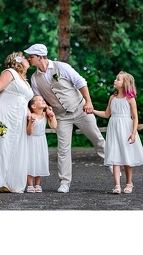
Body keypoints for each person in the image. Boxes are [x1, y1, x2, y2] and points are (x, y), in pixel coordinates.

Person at [25, 43, 106, 193]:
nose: (28, 59)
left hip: (80, 109)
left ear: (40, 57)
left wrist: (88, 101)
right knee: (63, 149)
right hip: (61, 116)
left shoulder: (61, 67)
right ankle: (64, 182)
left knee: (97, 139)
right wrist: (47, 110)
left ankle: (113, 165)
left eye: (31, 57)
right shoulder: (35, 78)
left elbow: (80, 82)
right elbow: (38, 98)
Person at [94, 71, 143, 194]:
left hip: (126, 129)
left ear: (125, 83)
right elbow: (107, 114)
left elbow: (135, 117)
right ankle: (117, 185)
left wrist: (133, 133)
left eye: (118, 79)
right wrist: (93, 111)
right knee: (115, 156)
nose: (115, 80)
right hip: (114, 128)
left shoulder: (130, 99)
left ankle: (129, 183)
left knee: (126, 156)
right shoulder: (112, 98)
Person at [0, 52, 34, 194]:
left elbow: (23, 99)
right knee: (1, 146)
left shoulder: (25, 80)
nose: (28, 60)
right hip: (4, 115)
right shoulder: (10, 72)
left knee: (16, 148)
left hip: (18, 120)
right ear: (17, 60)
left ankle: (8, 182)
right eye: (25, 58)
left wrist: (28, 112)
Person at [25, 95, 57, 193]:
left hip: (41, 140)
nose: (43, 101)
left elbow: (54, 126)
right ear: (33, 106)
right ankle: (30, 185)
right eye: (40, 100)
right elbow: (29, 132)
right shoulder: (32, 116)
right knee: (31, 161)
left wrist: (52, 115)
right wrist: (30, 122)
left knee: (39, 160)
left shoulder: (45, 115)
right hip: (31, 140)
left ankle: (38, 184)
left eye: (43, 100)